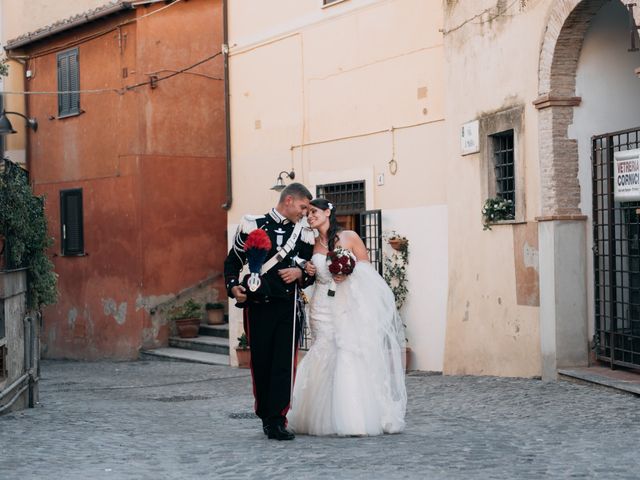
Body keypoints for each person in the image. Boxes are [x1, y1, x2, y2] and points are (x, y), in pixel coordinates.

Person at [287, 198, 407, 436]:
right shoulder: (309, 243)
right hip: (321, 305)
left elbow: (367, 270)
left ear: (328, 212)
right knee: (323, 350)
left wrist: (348, 273)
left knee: (346, 352)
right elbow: (306, 273)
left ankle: (352, 417)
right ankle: (318, 414)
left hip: (346, 303)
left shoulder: (349, 237)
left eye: (314, 212)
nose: (310, 216)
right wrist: (308, 270)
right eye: (307, 214)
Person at [224, 183, 315, 441]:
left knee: (283, 365)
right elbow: (233, 262)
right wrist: (233, 288)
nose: (304, 213)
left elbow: (309, 270)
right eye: (302, 207)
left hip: (287, 306)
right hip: (258, 305)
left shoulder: (304, 233)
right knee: (261, 363)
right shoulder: (253, 224)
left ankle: (278, 419)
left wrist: (300, 273)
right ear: (288, 200)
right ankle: (265, 415)